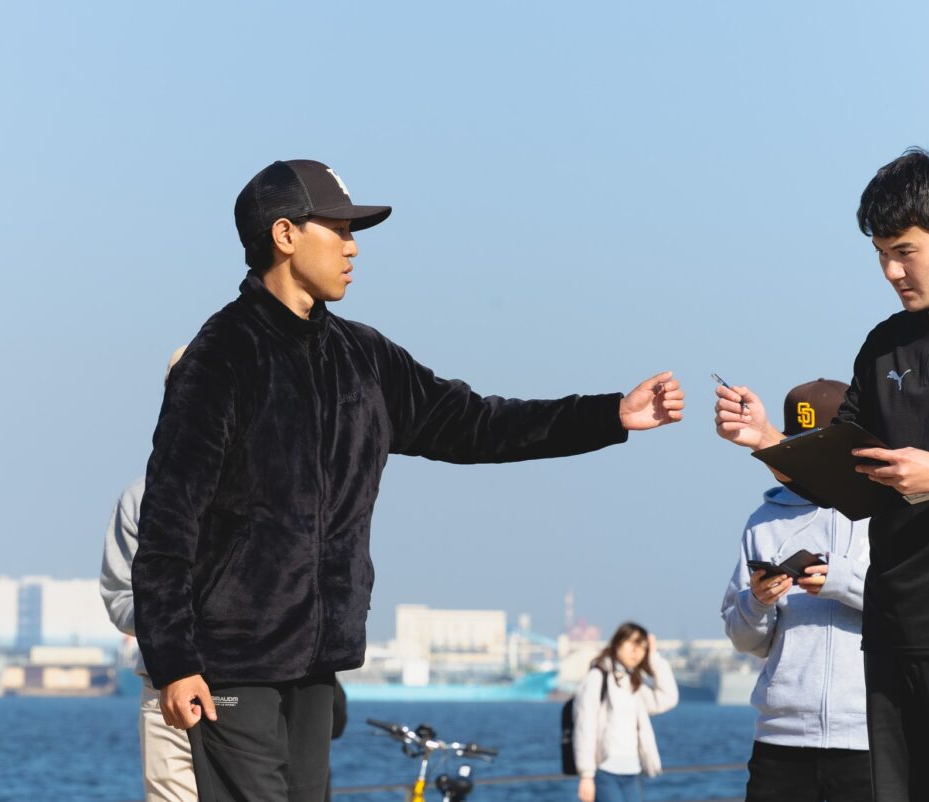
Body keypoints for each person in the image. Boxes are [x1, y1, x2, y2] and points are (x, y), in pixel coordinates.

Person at [132, 158, 686, 802]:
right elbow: (167, 524)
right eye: (339, 229)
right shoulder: (219, 357)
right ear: (284, 235)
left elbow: (477, 424)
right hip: (233, 662)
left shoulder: (364, 356)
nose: (353, 247)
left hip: (317, 664)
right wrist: (175, 662)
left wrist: (609, 415)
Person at [714, 149, 929, 799]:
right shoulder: (883, 345)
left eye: (905, 252)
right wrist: (767, 439)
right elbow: (842, 470)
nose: (891, 271)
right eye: (881, 254)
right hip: (891, 636)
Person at [721, 378, 873, 802]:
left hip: (869, 735)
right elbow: (745, 641)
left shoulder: (883, 512)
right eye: (798, 446)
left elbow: (913, 605)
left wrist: (841, 581)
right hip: (779, 740)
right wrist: (757, 601)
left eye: (819, 446)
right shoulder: (764, 520)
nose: (808, 459)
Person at [100, 349, 196, 802]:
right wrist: (171, 627)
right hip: (163, 687)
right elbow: (118, 594)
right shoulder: (140, 497)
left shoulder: (272, 488)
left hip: (248, 684)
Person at [573, 622, 677, 802]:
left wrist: (654, 658)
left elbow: (667, 698)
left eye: (643, 647)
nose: (637, 651)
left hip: (632, 773)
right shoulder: (597, 678)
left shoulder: (633, 684)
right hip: (605, 773)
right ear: (617, 642)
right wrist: (586, 775)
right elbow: (584, 727)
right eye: (632, 643)